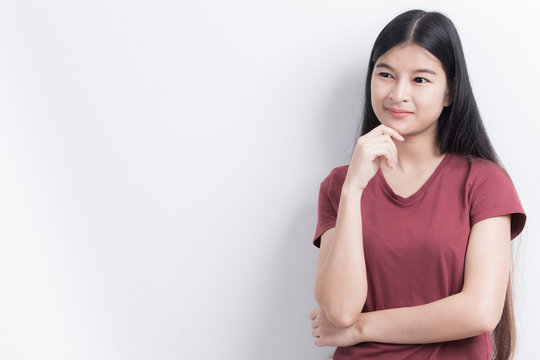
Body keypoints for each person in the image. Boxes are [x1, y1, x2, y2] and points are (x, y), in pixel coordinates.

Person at [309, 9, 527, 360]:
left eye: (420, 79)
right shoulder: (340, 185)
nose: (398, 94)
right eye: (386, 74)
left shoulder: (484, 183)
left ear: (449, 92)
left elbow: (480, 311)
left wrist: (362, 328)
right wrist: (353, 190)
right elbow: (339, 309)